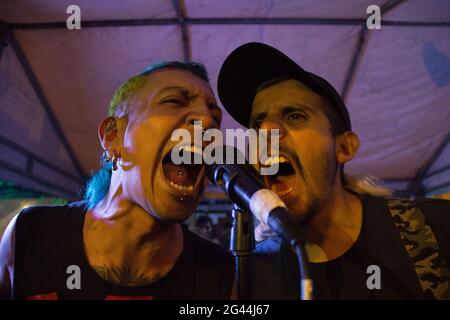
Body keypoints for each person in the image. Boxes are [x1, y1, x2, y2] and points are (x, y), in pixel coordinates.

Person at [217, 42, 450, 299]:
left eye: (294, 115)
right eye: (258, 123)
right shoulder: (252, 276)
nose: (267, 132)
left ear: (345, 147)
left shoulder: (434, 228)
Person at [0, 61, 234, 300]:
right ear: (113, 136)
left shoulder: (220, 276)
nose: (207, 121)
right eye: (173, 101)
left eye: (215, 117)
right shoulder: (29, 234)